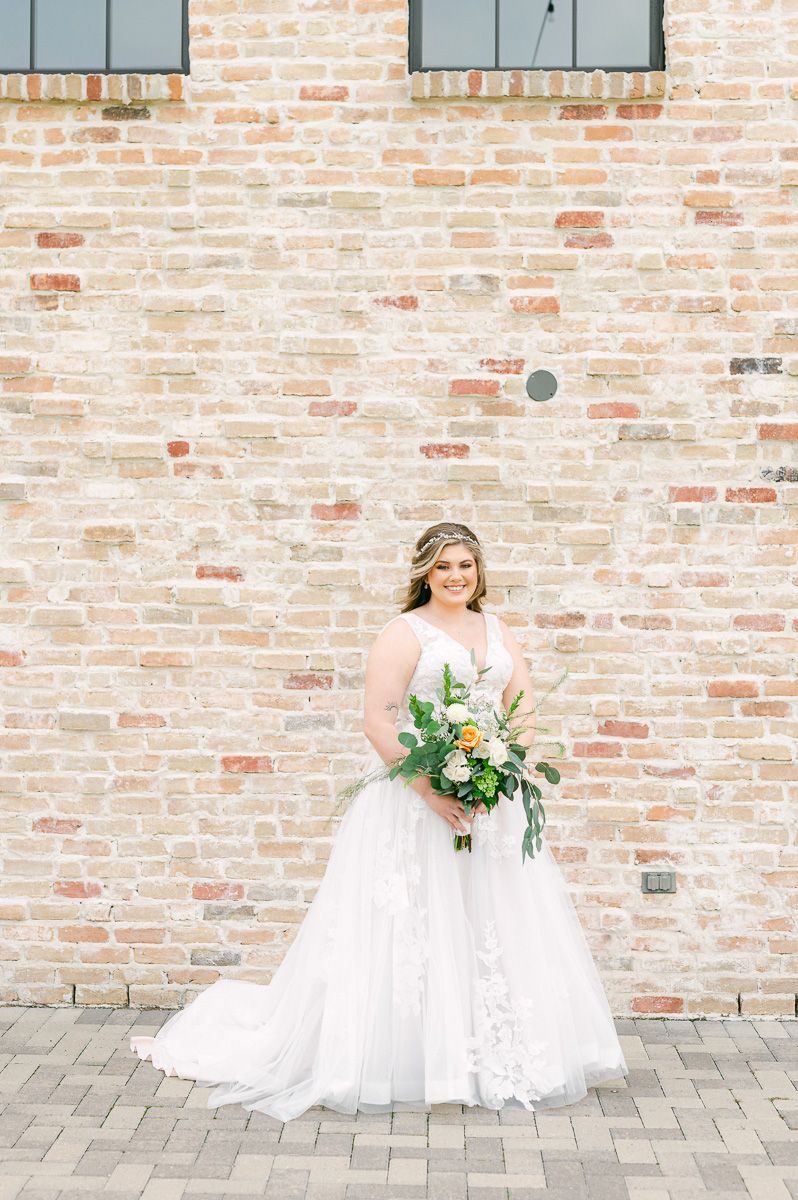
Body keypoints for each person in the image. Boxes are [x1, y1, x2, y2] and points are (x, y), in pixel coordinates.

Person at [130, 522, 628, 1120]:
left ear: (480, 572)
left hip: (489, 803)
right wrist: (433, 790)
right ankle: (412, 1055)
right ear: (424, 573)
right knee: (418, 926)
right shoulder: (403, 633)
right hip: (415, 804)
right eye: (444, 566)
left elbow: (519, 706)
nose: (456, 576)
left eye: (466, 565)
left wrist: (505, 769)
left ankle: (490, 1051)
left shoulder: (497, 630)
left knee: (491, 921)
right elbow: (379, 720)